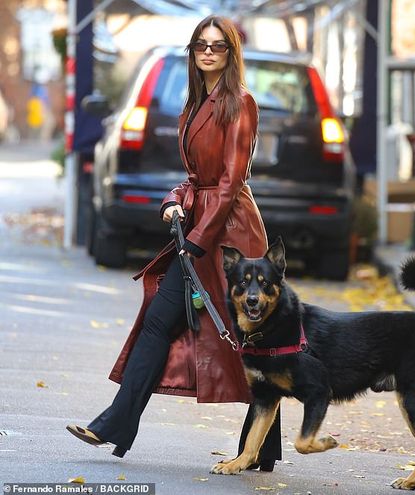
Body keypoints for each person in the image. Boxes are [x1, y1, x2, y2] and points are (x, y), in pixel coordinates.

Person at [67, 15, 281, 470]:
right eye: (201, 45)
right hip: (202, 228)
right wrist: (174, 200)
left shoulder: (240, 102)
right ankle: (114, 425)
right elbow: (197, 179)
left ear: (231, 53)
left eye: (218, 46)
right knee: (159, 324)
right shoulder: (195, 103)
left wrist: (200, 240)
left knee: (255, 340)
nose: (208, 52)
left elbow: (230, 181)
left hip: (232, 237)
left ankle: (264, 448)